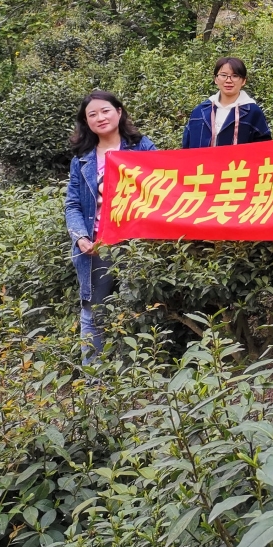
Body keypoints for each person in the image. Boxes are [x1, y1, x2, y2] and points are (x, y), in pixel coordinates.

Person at [64, 91, 156, 364]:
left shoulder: (142, 147)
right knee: (93, 311)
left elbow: (163, 187)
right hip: (97, 245)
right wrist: (80, 237)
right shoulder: (82, 159)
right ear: (86, 122)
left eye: (105, 111)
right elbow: (73, 205)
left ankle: (136, 373)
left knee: (139, 309)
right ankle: (94, 377)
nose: (100, 118)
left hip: (136, 244)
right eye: (92, 114)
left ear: (119, 111)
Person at [181, 58, 273, 147]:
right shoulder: (200, 111)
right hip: (203, 159)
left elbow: (263, 149)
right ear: (216, 79)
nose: (228, 80)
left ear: (244, 81)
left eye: (235, 76)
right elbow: (187, 148)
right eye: (223, 75)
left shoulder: (252, 112)